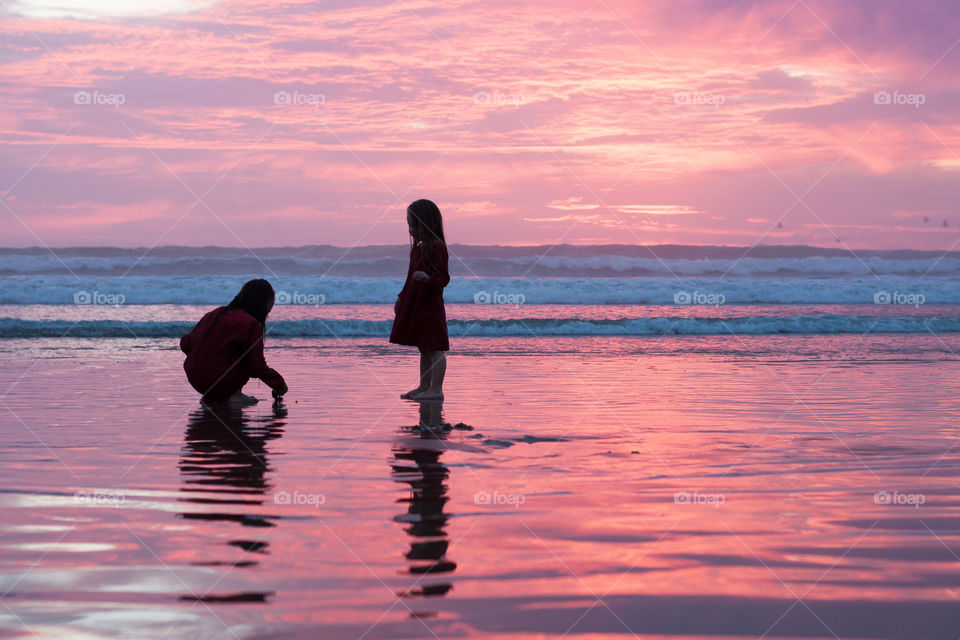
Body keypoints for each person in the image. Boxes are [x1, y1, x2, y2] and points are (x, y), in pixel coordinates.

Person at [180, 278, 288, 406]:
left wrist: (203, 356)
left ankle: (212, 396)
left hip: (194, 377)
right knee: (247, 357)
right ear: (263, 304)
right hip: (219, 380)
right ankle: (233, 395)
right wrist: (280, 385)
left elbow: (185, 343)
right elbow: (256, 366)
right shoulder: (251, 323)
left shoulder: (214, 313)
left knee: (227, 351)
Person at [390, 199, 450, 401]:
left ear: (428, 224)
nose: (411, 230)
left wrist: (428, 279)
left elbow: (443, 278)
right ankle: (424, 386)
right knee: (424, 346)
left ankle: (436, 389)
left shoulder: (438, 248)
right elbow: (409, 277)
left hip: (430, 305)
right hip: (416, 303)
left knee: (436, 347)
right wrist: (401, 297)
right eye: (409, 225)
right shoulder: (417, 249)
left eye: (415, 225)